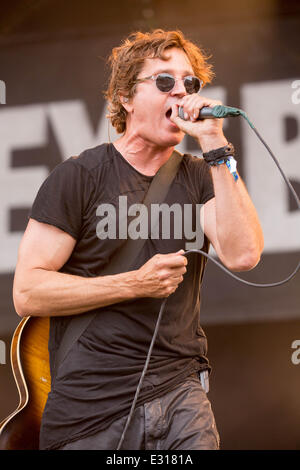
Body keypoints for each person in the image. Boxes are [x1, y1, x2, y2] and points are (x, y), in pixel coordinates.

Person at [13, 29, 264, 450]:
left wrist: (215, 145)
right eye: (164, 81)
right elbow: (28, 291)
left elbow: (243, 255)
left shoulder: (202, 176)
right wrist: (134, 283)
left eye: (190, 83)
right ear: (126, 98)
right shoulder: (79, 176)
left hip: (180, 390)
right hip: (90, 409)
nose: (181, 92)